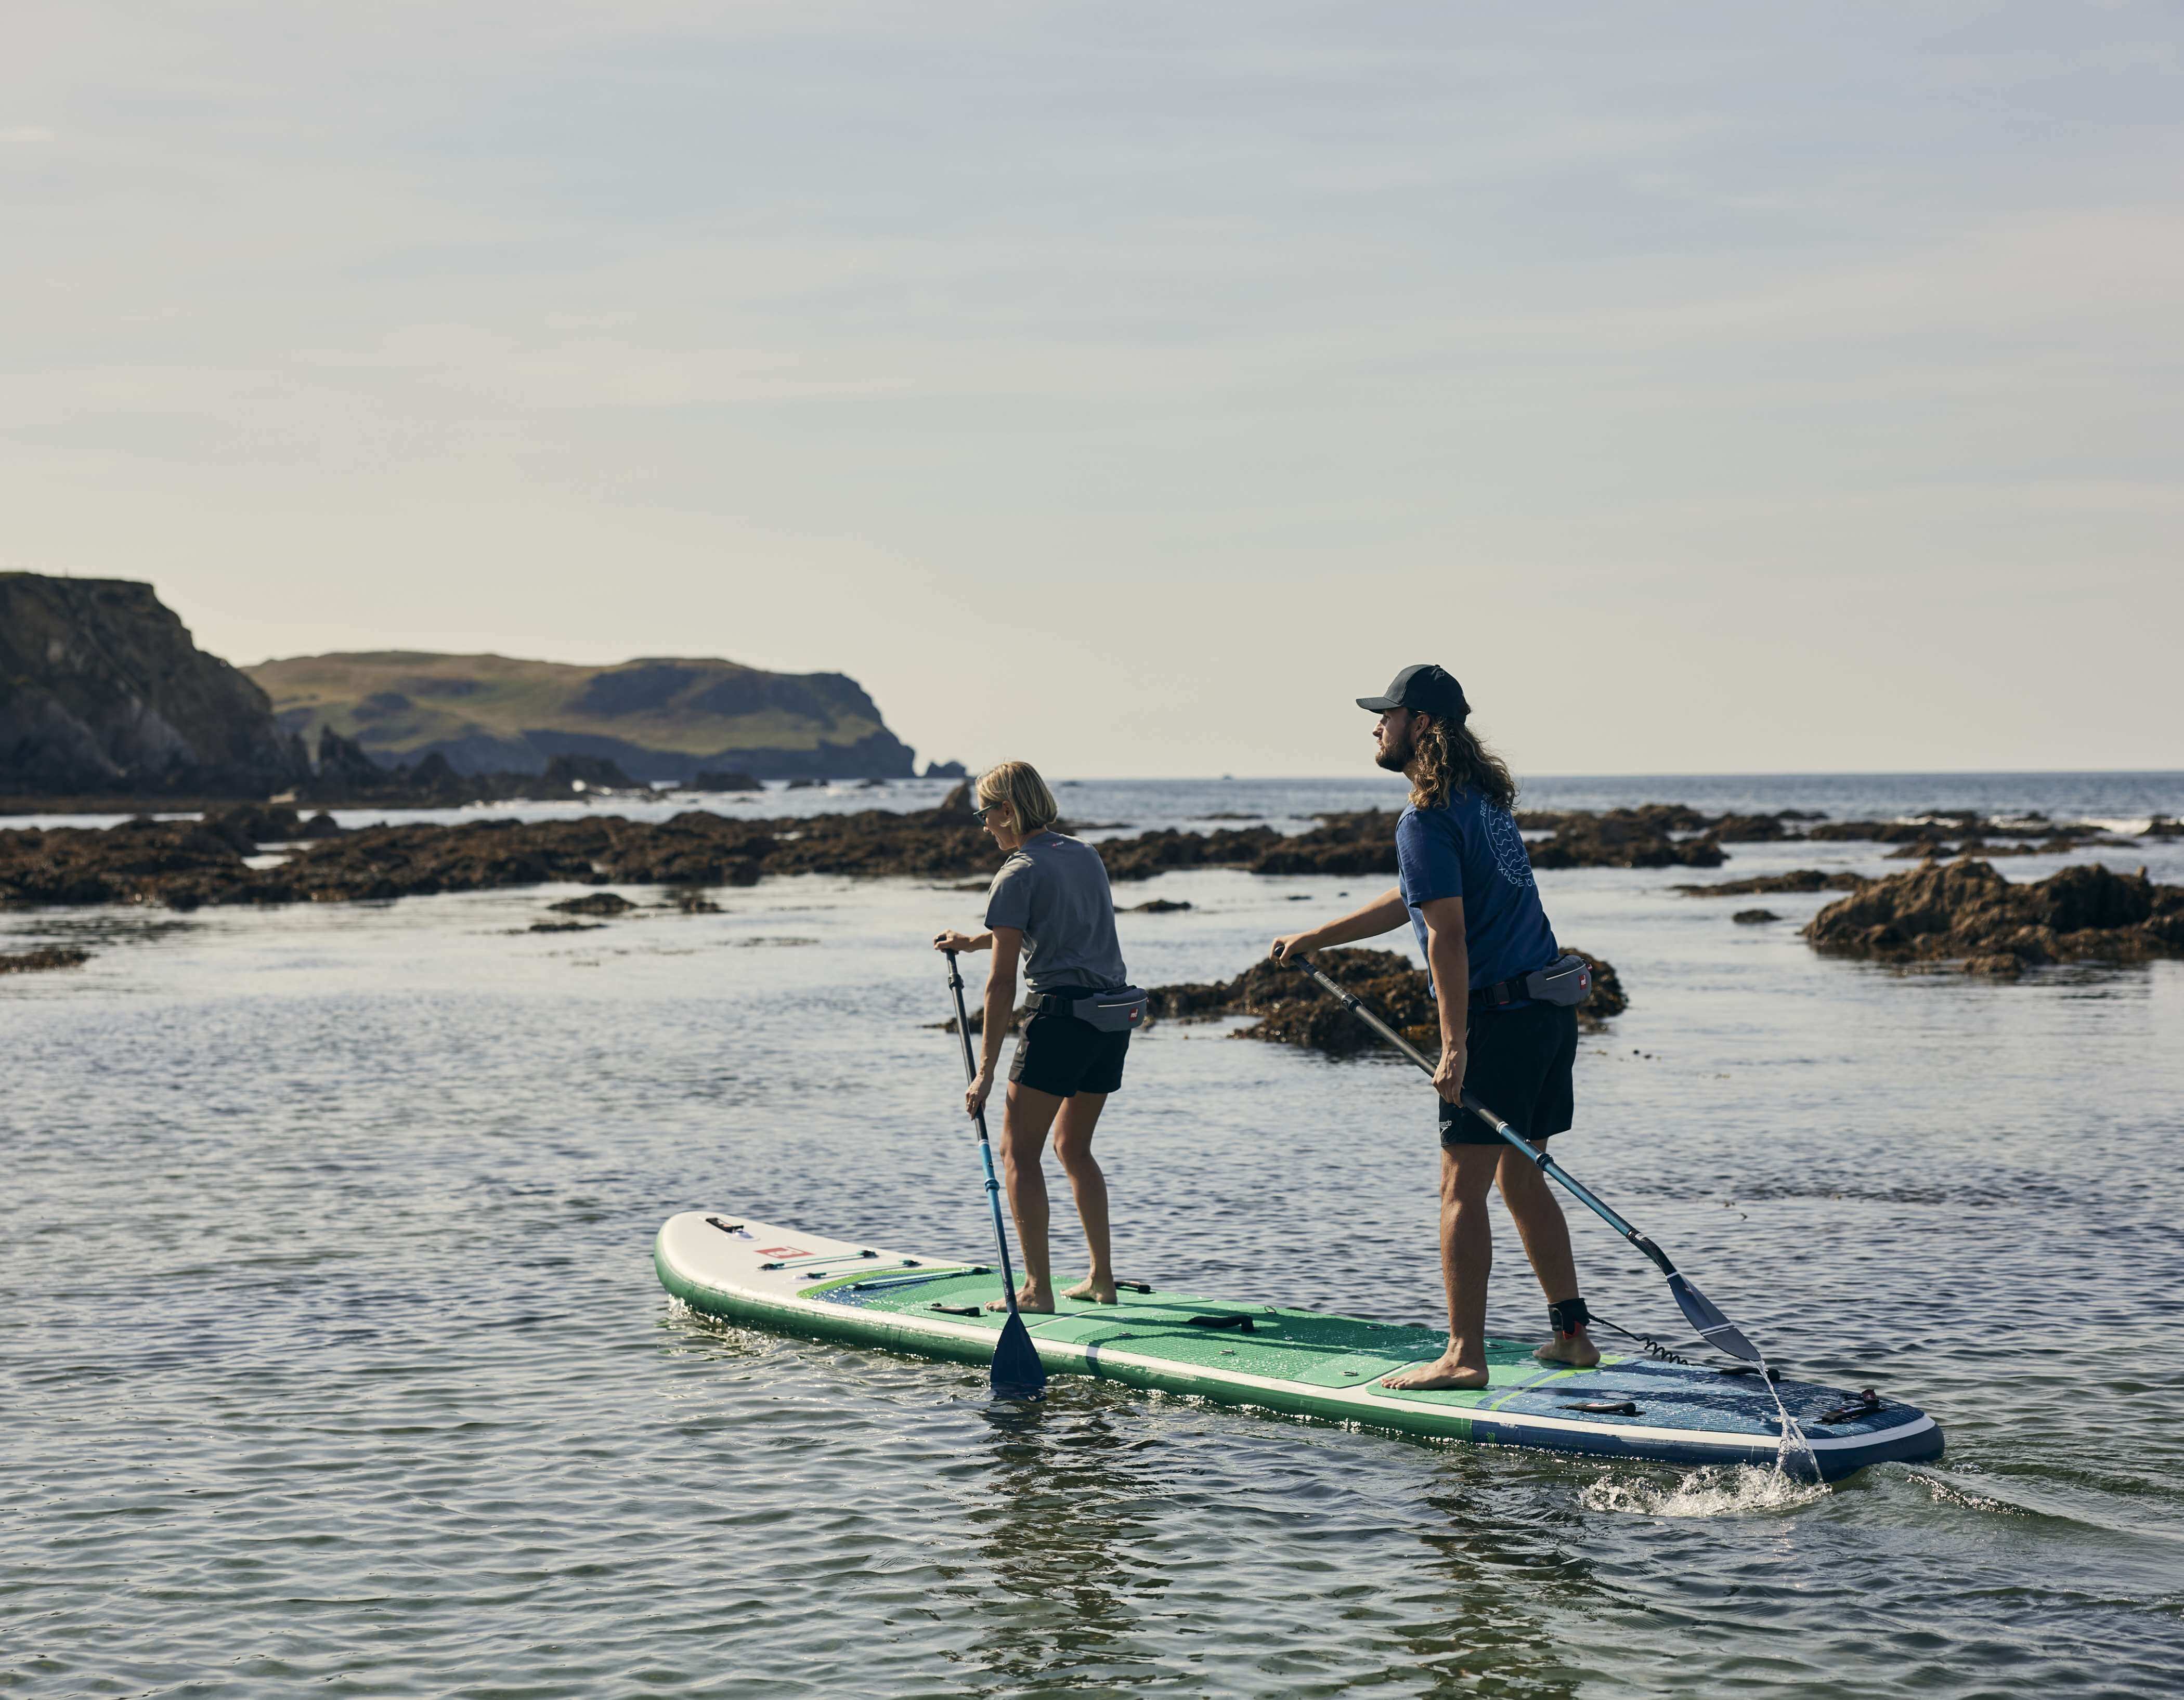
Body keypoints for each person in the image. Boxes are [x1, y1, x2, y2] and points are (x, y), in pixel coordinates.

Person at [1271, 663, 1599, 1391]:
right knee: (1522, 1179)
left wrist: (1454, 1046)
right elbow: (1414, 899)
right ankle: (1572, 1336)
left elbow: (1445, 935)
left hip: (1498, 1024)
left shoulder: (1426, 816)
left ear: (1421, 723)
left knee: (1462, 1190)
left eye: (1387, 714)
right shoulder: (1480, 804)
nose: (1376, 726)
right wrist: (1317, 938)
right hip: (1547, 1015)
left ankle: (1463, 1354)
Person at [932, 760, 1134, 1312]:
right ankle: (1101, 1279)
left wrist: (986, 1070)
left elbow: (1001, 986)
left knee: (1018, 1152)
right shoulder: (1083, 855)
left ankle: (1037, 1291)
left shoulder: (1015, 874)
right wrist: (972, 941)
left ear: (1006, 811)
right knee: (1074, 1147)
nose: (984, 826)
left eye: (985, 814)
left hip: (1059, 1023)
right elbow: (1061, 932)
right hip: (1111, 1020)